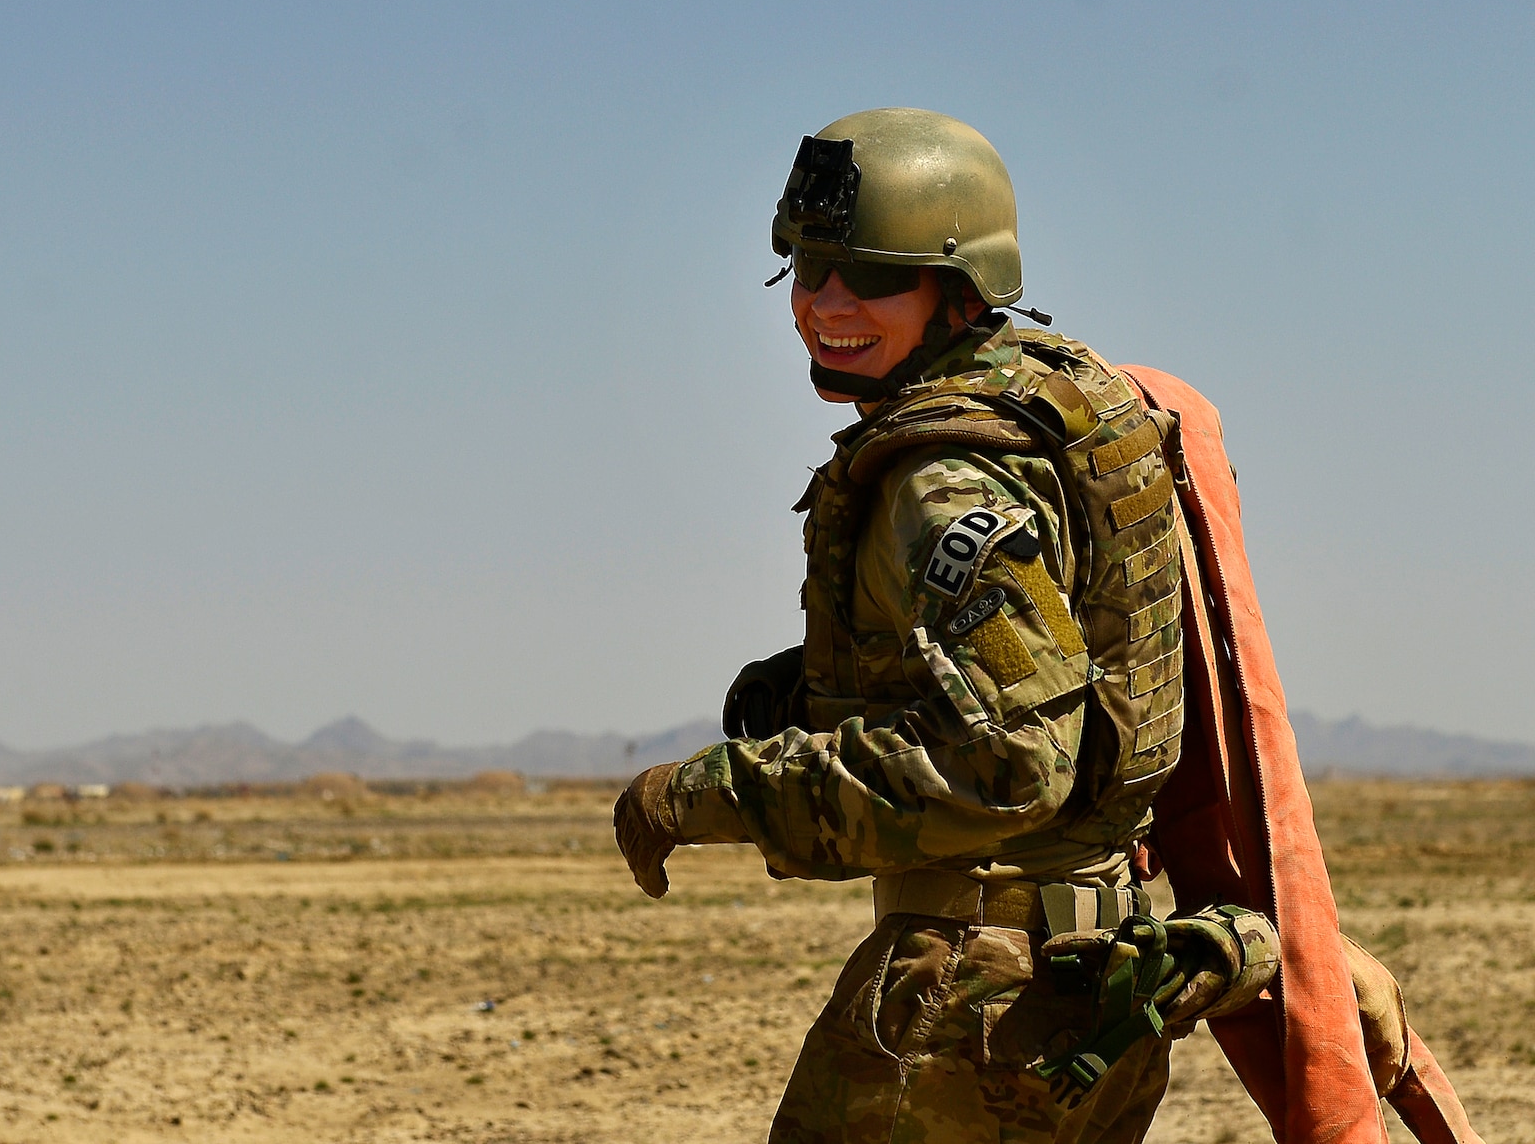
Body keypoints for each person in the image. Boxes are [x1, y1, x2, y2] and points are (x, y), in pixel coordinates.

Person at [612, 108, 1481, 1143]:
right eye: (807, 268)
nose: (826, 304)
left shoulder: (943, 475)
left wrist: (705, 794)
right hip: (1094, 992)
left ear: (958, 284)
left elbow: (1007, 761)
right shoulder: (1064, 408)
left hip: (975, 1002)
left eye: (873, 275)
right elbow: (1075, 666)